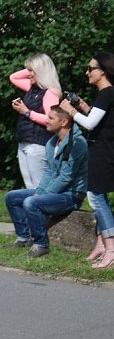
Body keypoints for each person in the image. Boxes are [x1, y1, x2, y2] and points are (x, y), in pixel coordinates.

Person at [4, 106, 87, 258]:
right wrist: (40, 192)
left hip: (71, 195)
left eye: (50, 118)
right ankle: (24, 238)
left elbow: (66, 177)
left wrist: (42, 195)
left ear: (63, 122)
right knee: (12, 197)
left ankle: (40, 244)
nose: (46, 120)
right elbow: (49, 171)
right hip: (56, 192)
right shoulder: (52, 142)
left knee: (31, 203)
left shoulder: (77, 144)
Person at [59, 52, 114, 269]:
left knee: (96, 197)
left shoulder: (106, 93)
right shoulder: (108, 94)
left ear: (103, 70)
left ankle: (111, 249)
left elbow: (90, 125)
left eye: (91, 68)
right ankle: (101, 244)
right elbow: (99, 120)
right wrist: (81, 106)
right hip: (104, 150)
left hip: (103, 152)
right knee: (99, 196)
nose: (87, 72)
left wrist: (70, 110)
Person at [10, 53, 62, 189]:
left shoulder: (49, 92)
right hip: (24, 143)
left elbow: (51, 120)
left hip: (38, 145)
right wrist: (30, 68)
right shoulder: (32, 89)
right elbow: (13, 77)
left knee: (38, 188)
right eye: (28, 70)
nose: (28, 74)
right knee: (29, 187)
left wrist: (27, 112)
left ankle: (41, 210)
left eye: (31, 70)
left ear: (41, 71)